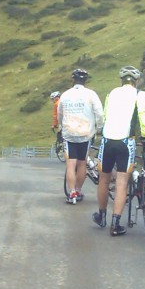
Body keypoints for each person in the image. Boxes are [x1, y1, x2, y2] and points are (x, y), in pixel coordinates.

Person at [92, 66, 145, 236]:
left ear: (121, 80)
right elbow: (144, 116)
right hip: (126, 142)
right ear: (136, 81)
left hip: (107, 140)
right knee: (121, 182)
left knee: (103, 180)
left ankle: (101, 216)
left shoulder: (111, 94)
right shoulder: (140, 95)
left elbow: (104, 117)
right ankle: (115, 224)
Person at [58, 69, 104, 204]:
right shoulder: (91, 94)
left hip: (69, 133)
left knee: (70, 164)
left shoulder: (65, 95)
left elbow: (59, 113)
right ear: (85, 80)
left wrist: (61, 127)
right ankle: (78, 190)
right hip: (85, 133)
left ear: (73, 79)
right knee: (82, 162)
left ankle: (71, 193)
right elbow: (99, 113)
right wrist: (99, 128)